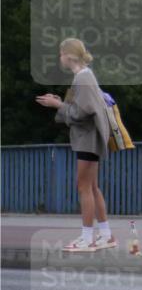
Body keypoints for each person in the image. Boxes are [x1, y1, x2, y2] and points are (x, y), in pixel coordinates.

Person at [36, 38, 116, 252]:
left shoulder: (82, 78)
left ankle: (87, 237)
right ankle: (106, 235)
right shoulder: (84, 76)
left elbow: (83, 112)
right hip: (92, 138)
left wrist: (58, 105)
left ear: (69, 55)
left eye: (61, 53)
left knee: (83, 187)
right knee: (92, 187)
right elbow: (79, 107)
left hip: (88, 139)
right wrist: (60, 103)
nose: (59, 57)